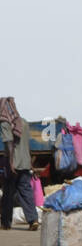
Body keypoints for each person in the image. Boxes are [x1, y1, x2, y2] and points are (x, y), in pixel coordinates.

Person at [0, 96, 40, 231]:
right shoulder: (24, 122)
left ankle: (6, 223)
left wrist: (11, 162)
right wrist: (31, 164)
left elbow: (9, 143)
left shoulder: (5, 123)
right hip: (25, 163)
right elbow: (28, 145)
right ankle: (33, 220)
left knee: (8, 193)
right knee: (26, 192)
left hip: (13, 164)